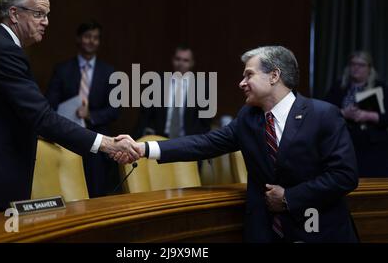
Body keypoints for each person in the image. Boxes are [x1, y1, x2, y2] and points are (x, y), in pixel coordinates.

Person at [116, 46, 359, 243]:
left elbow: (344, 176)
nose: (241, 83)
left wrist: (289, 197)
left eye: (249, 74)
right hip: (266, 232)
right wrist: (144, 149)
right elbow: (205, 143)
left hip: (318, 229)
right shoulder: (248, 117)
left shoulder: (322, 114)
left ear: (274, 76)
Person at [0, 0, 138, 219]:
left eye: (47, 15)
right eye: (39, 14)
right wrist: (107, 144)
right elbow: (42, 117)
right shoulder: (3, 50)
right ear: (14, 14)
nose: (46, 22)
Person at [46, 20, 120, 197]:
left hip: (97, 143)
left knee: (95, 193)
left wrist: (91, 115)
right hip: (65, 140)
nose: (91, 41)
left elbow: (115, 110)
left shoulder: (110, 72)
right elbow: (49, 104)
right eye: (87, 36)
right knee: (66, 191)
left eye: (95, 38)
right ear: (79, 39)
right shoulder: (62, 70)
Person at [324, 51, 388, 177]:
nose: (356, 68)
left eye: (361, 65)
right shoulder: (339, 86)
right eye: (353, 64)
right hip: (344, 143)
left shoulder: (380, 87)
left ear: (370, 68)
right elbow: (325, 111)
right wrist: (343, 113)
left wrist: (367, 115)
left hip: (373, 146)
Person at [133, 46, 211, 139]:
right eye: (178, 59)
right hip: (159, 139)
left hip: (188, 141)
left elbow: (205, 122)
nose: (181, 63)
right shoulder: (157, 83)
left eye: (185, 60)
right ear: (172, 60)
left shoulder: (202, 87)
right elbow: (144, 117)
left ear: (192, 63)